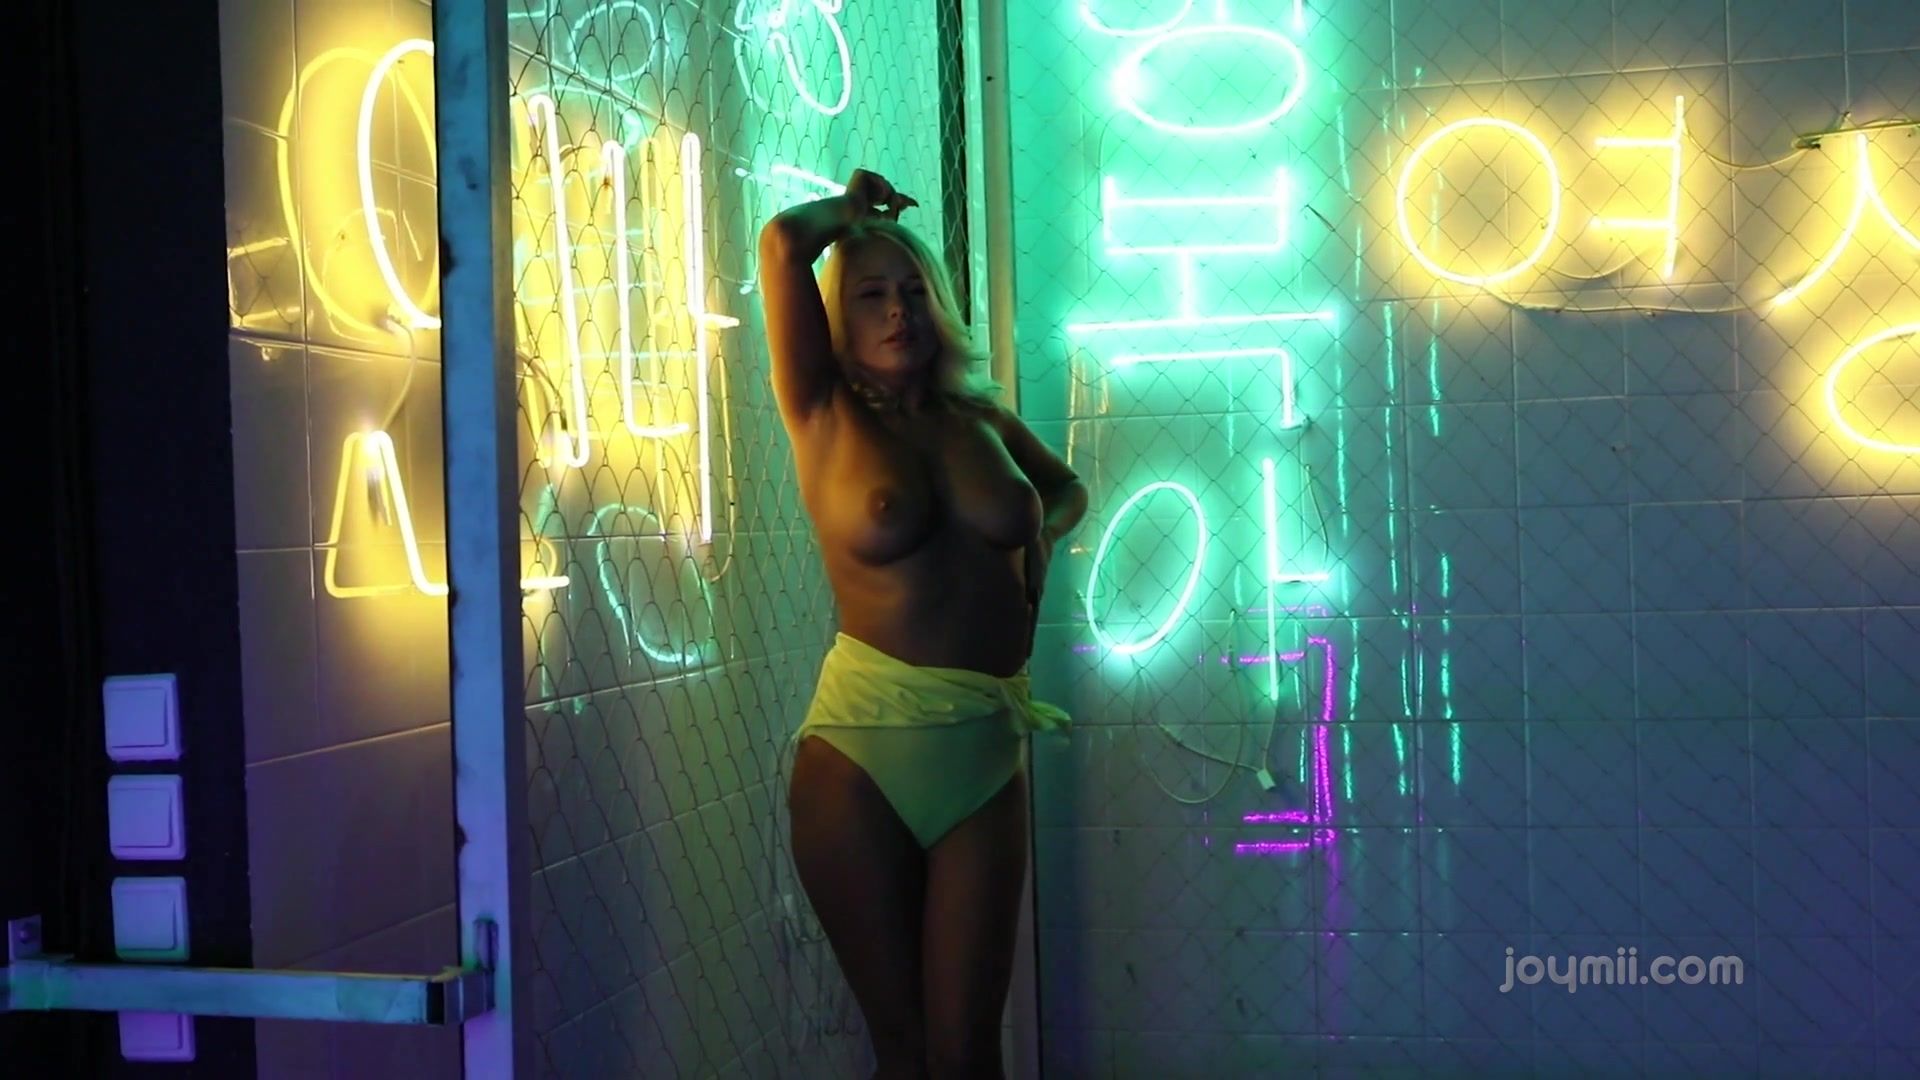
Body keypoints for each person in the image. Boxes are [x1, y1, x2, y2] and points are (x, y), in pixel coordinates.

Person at [760, 168, 1089, 1079]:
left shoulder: (978, 419)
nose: (898, 310)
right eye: (871, 295)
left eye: (912, 290)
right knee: (905, 1054)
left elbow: (1066, 488)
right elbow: (783, 244)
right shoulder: (821, 411)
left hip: (984, 749)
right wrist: (851, 213)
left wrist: (1044, 537)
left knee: (970, 1056)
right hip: (864, 750)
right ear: (839, 318)